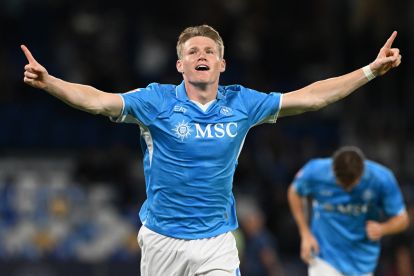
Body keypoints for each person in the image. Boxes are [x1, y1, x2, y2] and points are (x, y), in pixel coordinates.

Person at [21, 25, 401, 276]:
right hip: (161, 240)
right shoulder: (154, 101)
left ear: (221, 63)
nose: (200, 54)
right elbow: (98, 101)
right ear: (180, 64)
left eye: (208, 50)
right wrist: (52, 82)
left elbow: (313, 98)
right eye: (192, 50)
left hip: (216, 241)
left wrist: (369, 71)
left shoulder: (242, 103)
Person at [287, 146, 409, 276]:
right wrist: (305, 233)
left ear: (361, 173)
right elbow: (294, 192)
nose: (347, 189)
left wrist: (383, 228)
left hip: (362, 261)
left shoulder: (382, 179)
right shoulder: (315, 171)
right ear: (333, 170)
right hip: (324, 254)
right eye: (342, 184)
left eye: (351, 185)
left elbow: (402, 219)